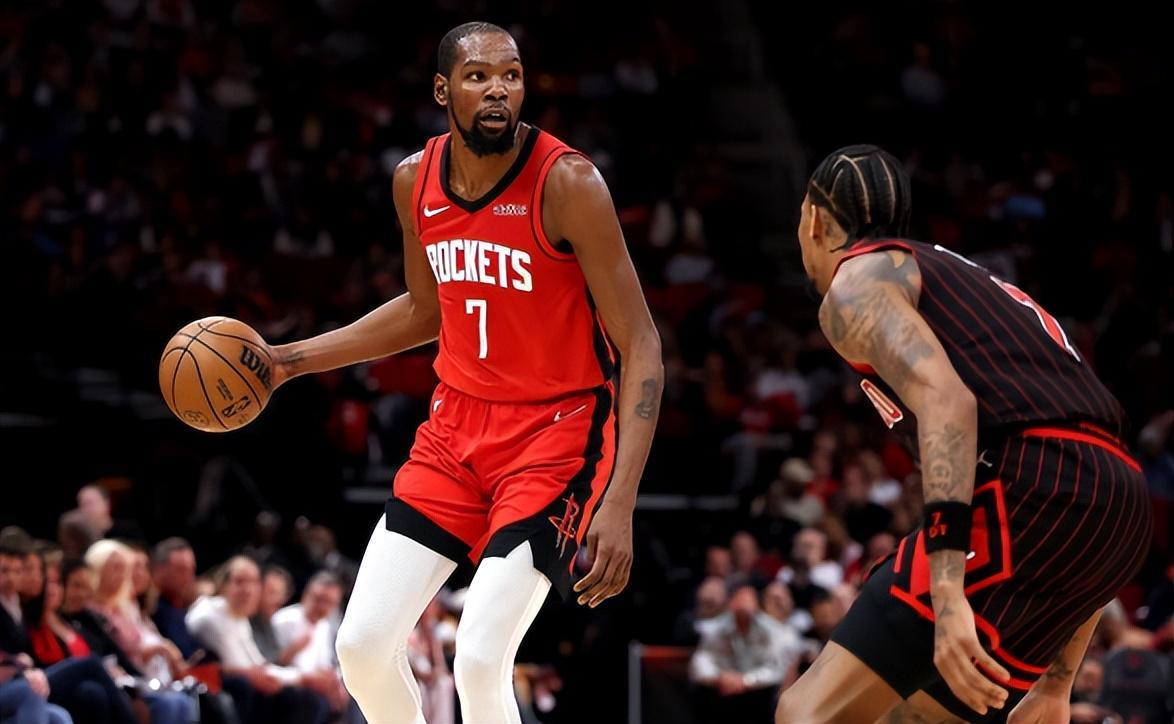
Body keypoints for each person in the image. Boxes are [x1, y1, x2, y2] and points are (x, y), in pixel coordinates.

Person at [261, 21, 662, 724]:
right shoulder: (414, 180)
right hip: (455, 430)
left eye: (511, 75)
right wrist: (287, 361)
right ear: (444, 90)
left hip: (556, 435)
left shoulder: (568, 183)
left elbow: (643, 343)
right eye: (479, 76)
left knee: (479, 658)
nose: (498, 89)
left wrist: (620, 501)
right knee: (360, 647)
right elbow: (425, 310)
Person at [775, 145, 1152, 722]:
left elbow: (950, 403)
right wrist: (1055, 686)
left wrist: (948, 594)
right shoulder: (966, 283)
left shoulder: (856, 283)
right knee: (909, 715)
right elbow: (1091, 477)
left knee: (807, 714)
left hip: (1033, 488)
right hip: (1121, 508)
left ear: (814, 222)